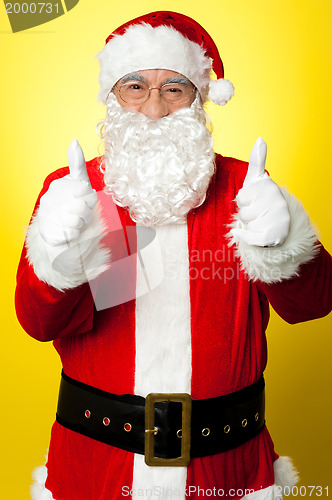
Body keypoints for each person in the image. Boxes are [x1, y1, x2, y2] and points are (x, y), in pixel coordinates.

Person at [15, 11, 332, 500]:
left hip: (227, 468)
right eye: (135, 86)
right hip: (99, 466)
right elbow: (40, 323)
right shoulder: (77, 194)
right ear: (113, 97)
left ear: (199, 100)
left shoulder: (244, 188)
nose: (155, 109)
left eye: (175, 89)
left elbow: (311, 306)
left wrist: (285, 245)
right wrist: (58, 256)